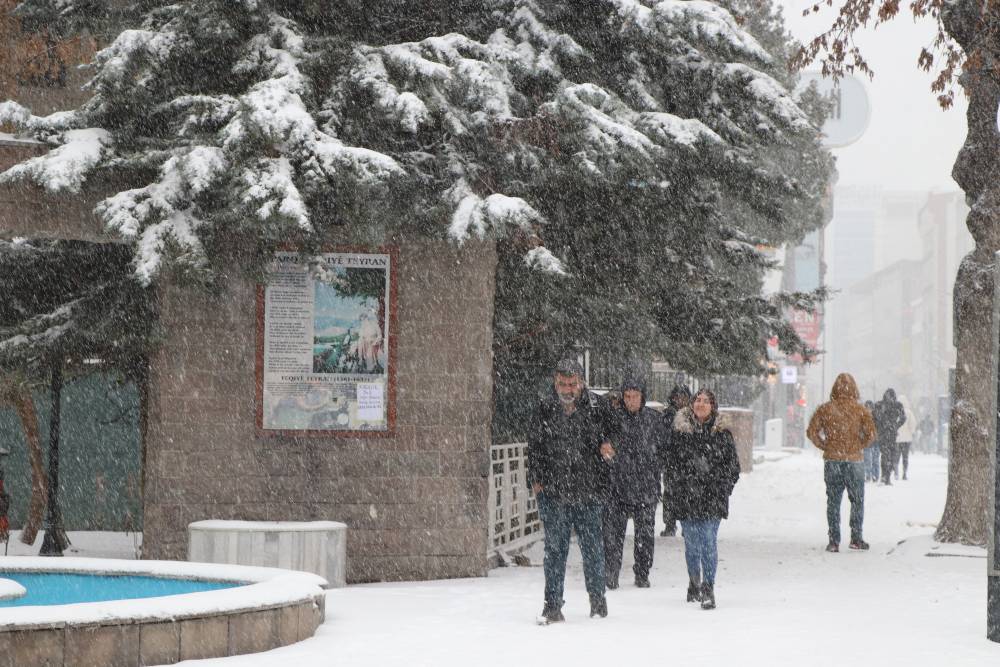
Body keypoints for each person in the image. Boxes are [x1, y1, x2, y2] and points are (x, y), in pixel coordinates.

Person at [527, 358, 614, 624]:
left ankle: (597, 602)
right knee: (554, 549)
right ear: (555, 382)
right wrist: (536, 478)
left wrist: (608, 444)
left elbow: (615, 432)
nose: (567, 389)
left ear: (582, 383)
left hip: (589, 490)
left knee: (593, 549)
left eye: (572, 384)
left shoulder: (598, 406)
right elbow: (535, 445)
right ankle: (552, 604)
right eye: (562, 384)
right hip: (554, 491)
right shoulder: (544, 408)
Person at [663, 388, 740, 610]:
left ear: (713, 406)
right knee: (692, 545)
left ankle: (708, 587)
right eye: (697, 400)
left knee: (708, 542)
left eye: (706, 401)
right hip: (687, 496)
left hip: (712, 497)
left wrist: (723, 487)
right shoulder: (680, 432)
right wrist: (677, 486)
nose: (701, 404)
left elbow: (732, 467)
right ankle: (694, 580)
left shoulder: (722, 434)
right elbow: (670, 464)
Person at [602, 376, 667, 590]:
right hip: (616, 487)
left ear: (642, 398)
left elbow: (664, 451)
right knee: (612, 536)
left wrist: (654, 469)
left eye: (635, 396)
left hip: (646, 487)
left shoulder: (654, 420)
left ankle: (642, 573)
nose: (631, 401)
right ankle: (611, 573)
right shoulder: (612, 419)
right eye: (627, 396)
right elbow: (601, 445)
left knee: (645, 535)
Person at [807, 373, 876, 552]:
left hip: (833, 460)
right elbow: (871, 435)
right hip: (854, 461)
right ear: (854, 388)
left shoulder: (825, 409)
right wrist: (858, 446)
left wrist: (825, 446)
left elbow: (812, 432)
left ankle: (834, 541)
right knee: (857, 501)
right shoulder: (861, 410)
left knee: (833, 501)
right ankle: (856, 538)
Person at [660, 385, 691, 536]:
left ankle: (686, 526)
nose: (681, 400)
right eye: (678, 397)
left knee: (686, 494)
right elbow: (663, 436)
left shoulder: (691, 415)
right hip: (671, 460)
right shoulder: (668, 415)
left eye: (684, 397)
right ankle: (670, 525)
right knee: (670, 494)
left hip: (687, 462)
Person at [873, 388, 906, 485]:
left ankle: (887, 476)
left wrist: (896, 425)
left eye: (890, 396)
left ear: (893, 396)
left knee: (892, 456)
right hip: (883, 434)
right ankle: (884, 477)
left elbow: (903, 417)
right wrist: (879, 426)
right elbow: (873, 417)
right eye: (887, 396)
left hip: (892, 434)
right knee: (885, 455)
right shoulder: (879, 405)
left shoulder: (898, 405)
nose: (888, 398)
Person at [895, 397, 917, 480]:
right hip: (907, 439)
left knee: (896, 456)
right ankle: (904, 473)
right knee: (905, 457)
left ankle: (896, 473)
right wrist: (912, 432)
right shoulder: (909, 412)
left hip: (897, 438)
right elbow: (913, 424)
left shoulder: (895, 411)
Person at [861, 400, 878, 482]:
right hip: (866, 441)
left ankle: (875, 475)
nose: (868, 409)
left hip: (875, 441)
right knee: (866, 459)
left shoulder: (876, 417)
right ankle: (868, 476)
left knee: (875, 460)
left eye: (870, 408)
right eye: (867, 408)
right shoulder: (863, 417)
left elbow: (879, 428)